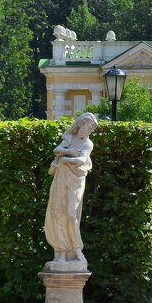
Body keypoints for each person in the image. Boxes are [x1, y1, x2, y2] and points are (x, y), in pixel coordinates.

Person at [44, 112, 98, 268]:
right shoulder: (69, 138)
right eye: (89, 126)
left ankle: (76, 249)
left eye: (93, 128)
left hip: (76, 180)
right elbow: (56, 150)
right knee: (58, 211)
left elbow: (81, 160)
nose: (90, 130)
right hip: (61, 177)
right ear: (81, 124)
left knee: (71, 212)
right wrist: (69, 153)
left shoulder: (88, 144)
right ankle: (61, 252)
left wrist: (65, 159)